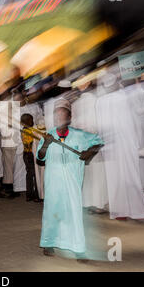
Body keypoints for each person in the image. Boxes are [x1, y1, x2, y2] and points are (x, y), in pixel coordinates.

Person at [37, 98, 103, 262]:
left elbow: (99, 140)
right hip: (53, 183)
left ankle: (78, 248)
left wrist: (89, 152)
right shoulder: (48, 135)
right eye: (56, 115)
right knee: (52, 211)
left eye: (62, 114)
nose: (59, 118)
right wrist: (45, 144)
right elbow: (40, 158)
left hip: (73, 182)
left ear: (69, 117)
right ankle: (49, 242)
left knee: (74, 213)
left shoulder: (80, 135)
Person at [96, 69, 144, 221]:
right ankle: (138, 211)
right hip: (126, 143)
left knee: (115, 178)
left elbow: (100, 127)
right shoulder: (124, 97)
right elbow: (134, 121)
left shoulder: (100, 102)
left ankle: (120, 212)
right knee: (131, 175)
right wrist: (138, 142)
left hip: (110, 146)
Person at [71, 78, 108, 213]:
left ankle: (87, 202)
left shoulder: (76, 104)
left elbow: (74, 126)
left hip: (82, 142)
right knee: (97, 173)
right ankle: (98, 204)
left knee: (87, 173)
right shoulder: (97, 100)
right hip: (94, 140)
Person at [21, 114, 41, 202]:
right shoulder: (26, 131)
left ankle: (32, 194)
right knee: (32, 174)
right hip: (29, 154)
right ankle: (34, 195)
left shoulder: (31, 129)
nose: (32, 121)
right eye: (29, 120)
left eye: (32, 119)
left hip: (30, 153)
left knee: (32, 174)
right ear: (24, 123)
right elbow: (30, 143)